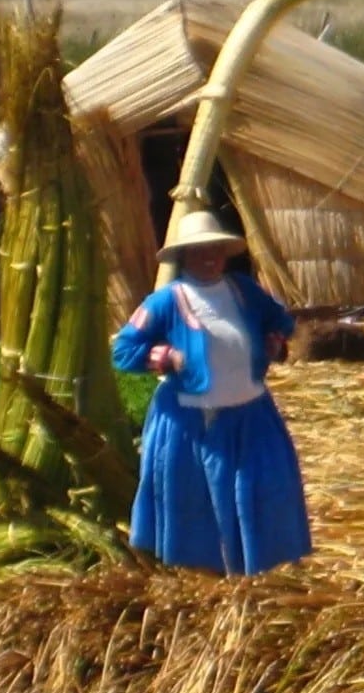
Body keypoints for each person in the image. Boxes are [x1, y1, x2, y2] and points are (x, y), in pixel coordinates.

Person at [111, 209, 311, 574]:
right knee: (196, 501)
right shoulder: (166, 301)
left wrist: (274, 340)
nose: (210, 257)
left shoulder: (243, 290)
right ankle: (204, 574)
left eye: (216, 249)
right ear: (184, 256)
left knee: (264, 490)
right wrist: (161, 357)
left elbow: (281, 319)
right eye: (201, 250)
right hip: (194, 421)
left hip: (251, 412)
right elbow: (123, 351)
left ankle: (257, 568)